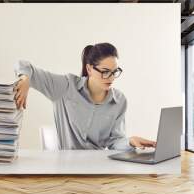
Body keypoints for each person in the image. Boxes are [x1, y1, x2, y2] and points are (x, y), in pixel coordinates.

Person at [14, 42, 156, 150]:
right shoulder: (66, 87)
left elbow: (114, 142)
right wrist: (25, 79)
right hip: (66, 170)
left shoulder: (119, 101)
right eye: (105, 71)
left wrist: (129, 141)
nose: (111, 78)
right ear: (89, 69)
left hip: (98, 170)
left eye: (114, 72)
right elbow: (22, 64)